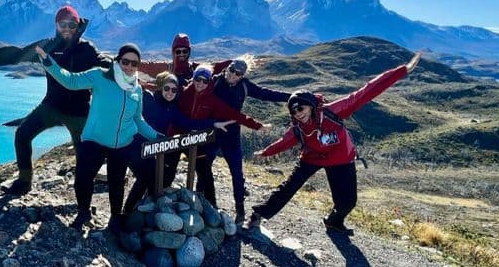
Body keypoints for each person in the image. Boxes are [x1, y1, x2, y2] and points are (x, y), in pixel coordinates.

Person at [249, 52, 422, 233]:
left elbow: (367, 91)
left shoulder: (334, 112)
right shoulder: (297, 128)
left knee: (348, 201)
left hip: (340, 158)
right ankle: (257, 216)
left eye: (300, 108)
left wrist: (403, 70)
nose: (298, 113)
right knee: (288, 188)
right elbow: (284, 142)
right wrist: (266, 152)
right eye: (293, 111)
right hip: (312, 158)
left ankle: (334, 221)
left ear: (311, 105)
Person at [35, 42, 159, 231]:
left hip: (122, 143)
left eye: (134, 64)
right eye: (126, 61)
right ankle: (84, 212)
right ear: (118, 60)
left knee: (116, 183)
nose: (129, 67)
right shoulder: (100, 75)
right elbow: (71, 80)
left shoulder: (136, 89)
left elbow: (138, 119)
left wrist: (156, 136)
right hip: (95, 140)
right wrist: (48, 61)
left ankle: (115, 218)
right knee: (83, 178)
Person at [0, 6, 108, 196]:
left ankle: (83, 193)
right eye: (63, 24)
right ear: (56, 25)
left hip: (79, 111)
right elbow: (14, 54)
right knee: (22, 134)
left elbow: (107, 65)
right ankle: (24, 181)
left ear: (78, 25)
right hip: (51, 106)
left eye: (72, 24)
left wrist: (129, 72)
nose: (67, 28)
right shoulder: (47, 47)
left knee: (85, 153)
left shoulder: (87, 49)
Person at [123, 72, 234, 213]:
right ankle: (126, 213)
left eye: (174, 90)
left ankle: (145, 212)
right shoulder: (147, 99)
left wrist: (214, 123)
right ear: (160, 87)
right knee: (145, 178)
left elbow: (188, 123)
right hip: (133, 147)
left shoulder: (172, 109)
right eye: (167, 88)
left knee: (160, 179)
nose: (170, 93)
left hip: (151, 150)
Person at [210, 58, 291, 223]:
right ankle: (206, 202)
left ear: (241, 76)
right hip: (212, 131)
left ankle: (240, 209)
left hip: (231, 134)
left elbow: (267, 94)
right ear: (227, 68)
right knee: (203, 166)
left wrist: (292, 97)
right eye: (231, 70)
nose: (232, 74)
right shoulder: (215, 80)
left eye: (237, 73)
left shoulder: (245, 86)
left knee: (237, 173)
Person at [177, 66, 269, 207]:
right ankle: (158, 196)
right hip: (179, 138)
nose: (200, 83)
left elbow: (234, 114)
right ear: (193, 78)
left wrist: (258, 126)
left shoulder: (212, 99)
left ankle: (216, 206)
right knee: (167, 170)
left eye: (205, 81)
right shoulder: (183, 93)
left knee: (206, 171)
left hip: (205, 139)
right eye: (197, 79)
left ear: (209, 83)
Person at [140, 33, 232, 87]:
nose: (182, 54)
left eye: (185, 51)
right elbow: (146, 66)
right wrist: (128, 62)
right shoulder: (166, 68)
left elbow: (215, 67)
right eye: (178, 51)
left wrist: (234, 62)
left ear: (189, 51)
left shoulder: (194, 68)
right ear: (173, 52)